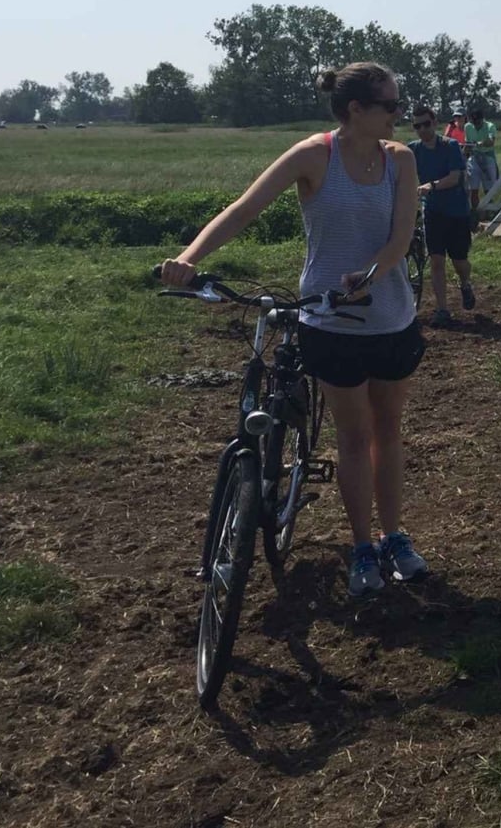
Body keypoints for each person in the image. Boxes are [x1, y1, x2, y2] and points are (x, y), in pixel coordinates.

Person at [158, 62, 430, 599]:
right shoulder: (313, 155)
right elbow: (244, 209)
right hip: (328, 322)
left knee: (388, 430)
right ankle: (360, 547)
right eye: (391, 106)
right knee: (353, 438)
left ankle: (393, 536)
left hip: (391, 317)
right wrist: (188, 259)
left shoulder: (401, 160)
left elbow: (401, 239)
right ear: (357, 110)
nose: (399, 114)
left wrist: (371, 276)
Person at [408, 105, 476, 326]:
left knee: (460, 261)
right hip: (433, 212)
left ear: (435, 122)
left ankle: (465, 284)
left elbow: (455, 177)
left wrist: (431, 185)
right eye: (417, 126)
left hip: (456, 211)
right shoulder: (413, 150)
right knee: (436, 260)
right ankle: (442, 309)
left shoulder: (450, 146)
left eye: (426, 124)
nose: (422, 129)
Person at [464, 106, 499, 217]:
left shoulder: (490, 126)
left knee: (489, 189)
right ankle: (476, 213)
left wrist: (480, 143)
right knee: (473, 188)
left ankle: (490, 213)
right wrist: (463, 155)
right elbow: (467, 145)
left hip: (488, 158)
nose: (475, 124)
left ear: (482, 119)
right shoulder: (468, 127)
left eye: (477, 121)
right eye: (473, 121)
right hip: (474, 158)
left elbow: (491, 141)